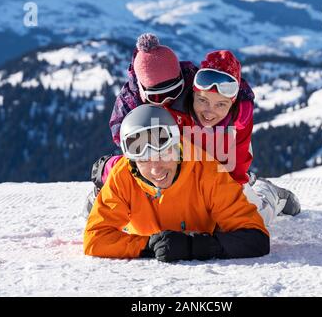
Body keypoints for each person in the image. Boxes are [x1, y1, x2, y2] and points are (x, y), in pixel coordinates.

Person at [83, 33, 300, 224]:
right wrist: (112, 183)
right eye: (157, 97)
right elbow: (133, 154)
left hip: (210, 162)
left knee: (247, 217)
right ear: (142, 91)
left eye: (174, 91)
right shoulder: (132, 105)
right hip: (171, 165)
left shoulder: (200, 94)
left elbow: (235, 155)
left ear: (184, 82)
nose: (167, 101)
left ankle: (269, 194)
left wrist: (229, 188)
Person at [84, 105, 270, 262]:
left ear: (176, 145)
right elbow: (95, 238)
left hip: (216, 223)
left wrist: (192, 246)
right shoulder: (123, 175)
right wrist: (149, 245)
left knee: (262, 209)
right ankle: (97, 197)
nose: (156, 170)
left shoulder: (207, 171)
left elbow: (256, 238)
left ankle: (268, 193)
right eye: (144, 161)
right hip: (143, 227)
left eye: (163, 154)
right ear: (132, 159)